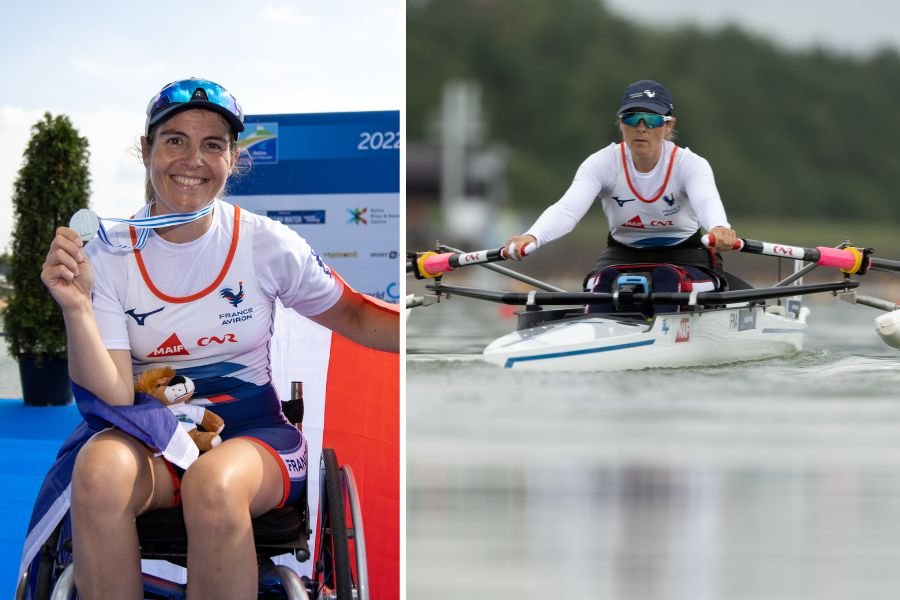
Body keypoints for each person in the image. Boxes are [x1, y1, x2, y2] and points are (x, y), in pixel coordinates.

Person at [39, 78, 399, 599]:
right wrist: (76, 307)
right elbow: (116, 396)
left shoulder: (267, 243)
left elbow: (361, 318)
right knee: (96, 468)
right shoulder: (106, 253)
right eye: (175, 140)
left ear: (233, 158)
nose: (193, 159)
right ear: (146, 150)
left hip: (253, 438)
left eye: (213, 144)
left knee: (213, 484)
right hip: (155, 437)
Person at [504, 79, 747, 291]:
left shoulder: (690, 164)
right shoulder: (601, 163)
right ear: (621, 123)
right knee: (601, 283)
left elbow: (707, 201)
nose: (641, 127)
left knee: (666, 280)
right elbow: (567, 209)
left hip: (686, 256)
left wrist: (719, 227)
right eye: (632, 118)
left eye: (651, 119)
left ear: (669, 125)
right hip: (623, 254)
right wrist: (532, 236)